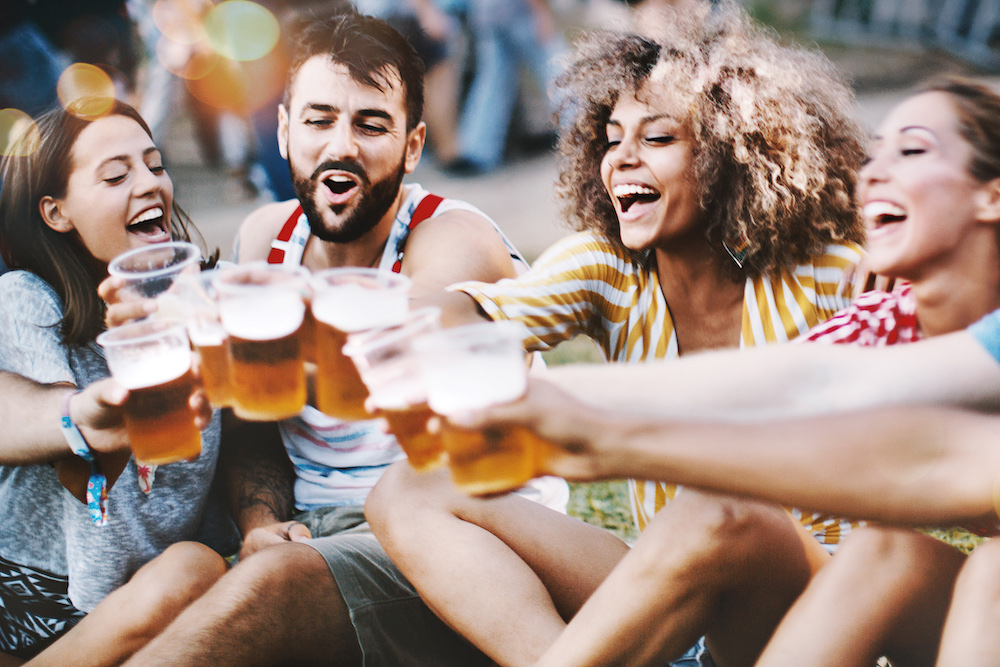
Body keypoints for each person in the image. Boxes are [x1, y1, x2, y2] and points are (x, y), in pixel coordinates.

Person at [366, 2, 869, 665]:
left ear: (730, 155)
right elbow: (489, 313)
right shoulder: (609, 266)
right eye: (610, 137)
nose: (622, 159)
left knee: (720, 503)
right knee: (409, 488)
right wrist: (420, 325)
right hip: (679, 594)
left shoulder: (825, 275)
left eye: (657, 139)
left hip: (805, 607)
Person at [444, 75, 1000, 666]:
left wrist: (598, 435)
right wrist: (552, 401)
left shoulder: (839, 272)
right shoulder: (884, 319)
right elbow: (798, 384)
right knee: (876, 549)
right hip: (779, 583)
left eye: (911, 150)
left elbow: (944, 461)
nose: (875, 172)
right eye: (878, 152)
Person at [111, 10, 567, 666]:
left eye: (370, 124)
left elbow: (406, 329)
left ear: (412, 147)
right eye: (320, 119)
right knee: (180, 589)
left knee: (264, 591)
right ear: (285, 129)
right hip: (314, 541)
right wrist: (260, 522)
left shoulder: (452, 239)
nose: (340, 145)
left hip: (461, 548)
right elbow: (254, 427)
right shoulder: (266, 239)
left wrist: (219, 313)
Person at [0, 99, 238, 664]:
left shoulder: (209, 295)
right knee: (193, 567)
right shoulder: (27, 301)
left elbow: (256, 434)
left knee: (200, 565)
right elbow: (84, 483)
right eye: (115, 174)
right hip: (44, 597)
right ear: (57, 213)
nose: (150, 184)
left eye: (156, 166)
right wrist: (122, 386)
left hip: (155, 587)